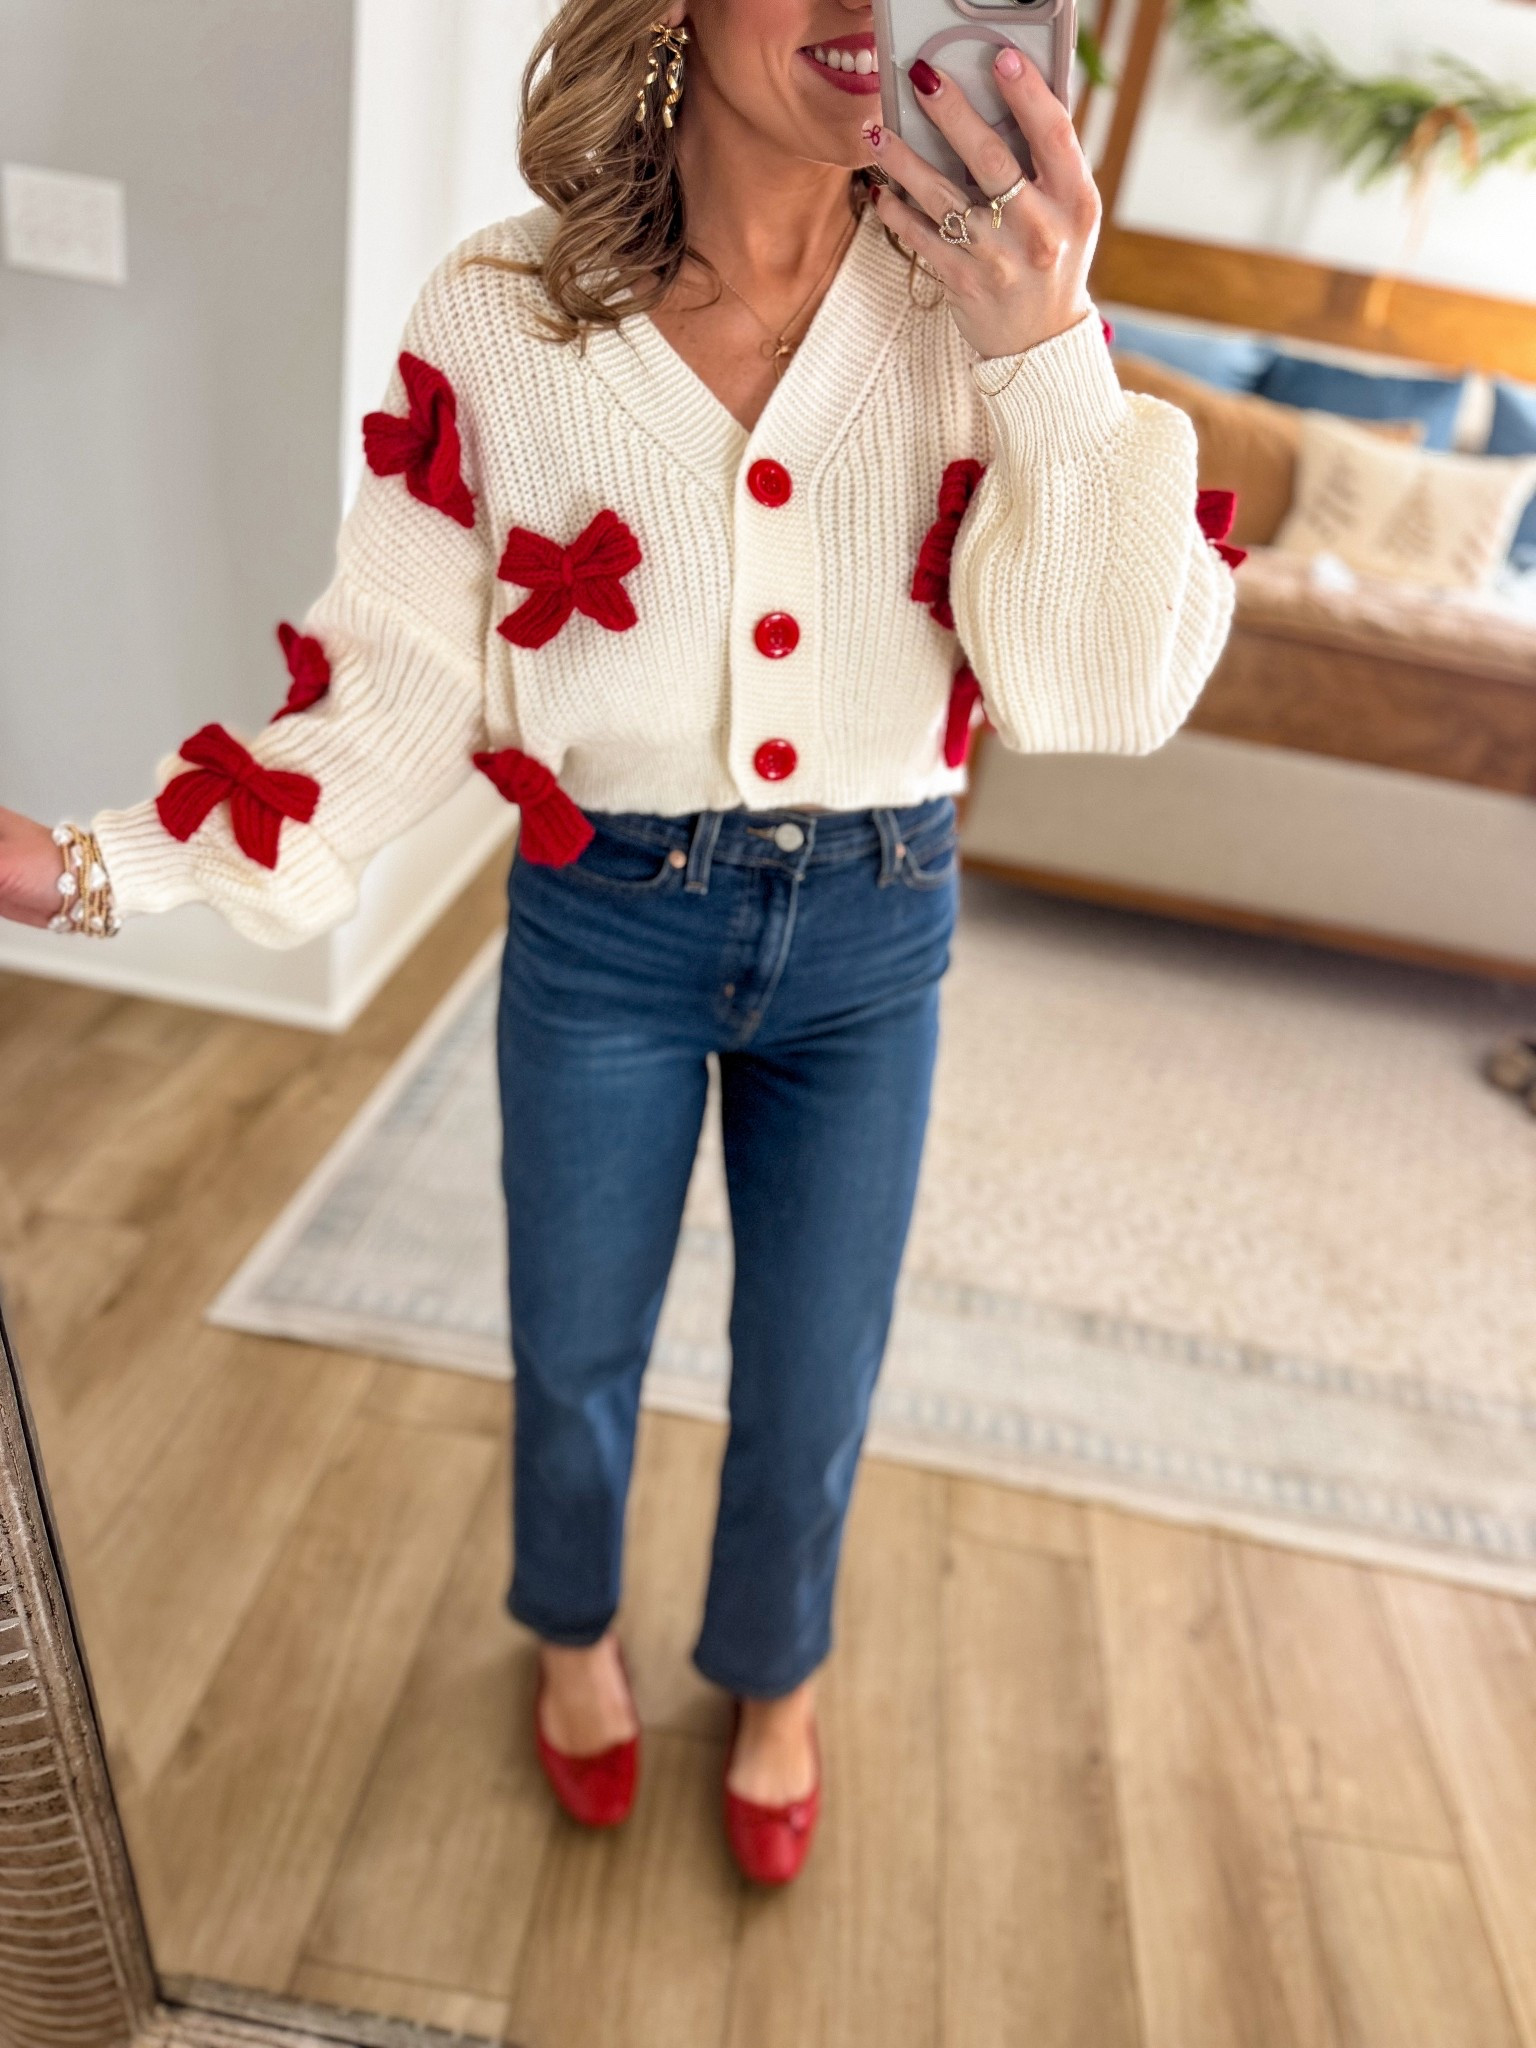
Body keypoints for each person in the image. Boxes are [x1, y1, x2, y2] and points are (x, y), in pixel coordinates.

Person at [0, 0, 1235, 1886]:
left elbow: (1099, 690)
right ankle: (574, 1643)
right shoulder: (499, 315)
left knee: (817, 1371)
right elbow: (399, 691)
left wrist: (1051, 352)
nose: (854, 8)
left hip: (879, 922)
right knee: (574, 1346)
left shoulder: (983, 294)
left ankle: (774, 1673)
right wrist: (95, 871)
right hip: (607, 928)